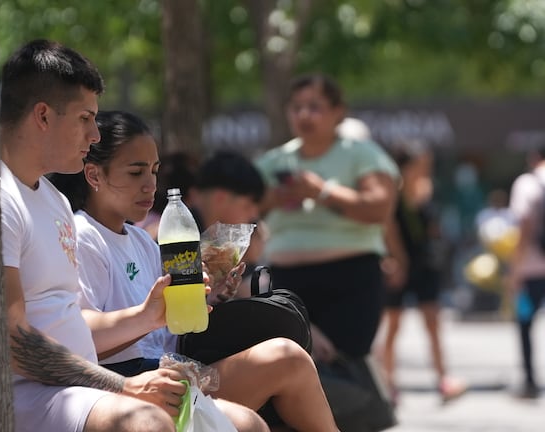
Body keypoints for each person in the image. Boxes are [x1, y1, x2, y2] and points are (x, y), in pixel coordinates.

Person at [0, 39, 267, 432]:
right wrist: (124, 385)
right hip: (12, 397)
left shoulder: (52, 200)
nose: (94, 136)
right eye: (85, 118)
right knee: (146, 422)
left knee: (248, 424)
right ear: (44, 116)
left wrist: (148, 316)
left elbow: (68, 320)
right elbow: (10, 341)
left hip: (72, 389)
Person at [50, 110, 339, 432]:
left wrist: (206, 299)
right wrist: (150, 315)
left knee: (287, 357)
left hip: (172, 370)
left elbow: (165, 330)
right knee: (268, 390)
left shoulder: (140, 240)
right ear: (94, 176)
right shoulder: (82, 236)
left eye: (154, 171)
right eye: (135, 172)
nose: (149, 185)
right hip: (126, 385)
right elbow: (78, 338)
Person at [254, 74, 399, 363]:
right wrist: (275, 198)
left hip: (351, 280)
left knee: (341, 364)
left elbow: (379, 208)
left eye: (314, 106)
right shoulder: (272, 162)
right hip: (284, 279)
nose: (304, 115)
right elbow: (234, 212)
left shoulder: (363, 155)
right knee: (284, 366)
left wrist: (322, 191)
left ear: (338, 111)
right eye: (296, 107)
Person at [379, 139, 467, 404]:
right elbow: (389, 230)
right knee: (393, 324)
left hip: (425, 263)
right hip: (400, 263)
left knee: (432, 321)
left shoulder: (428, 189)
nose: (426, 168)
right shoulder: (393, 192)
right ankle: (389, 383)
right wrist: (398, 261)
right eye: (421, 163)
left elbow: (433, 227)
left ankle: (443, 379)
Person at [185, 150, 268, 299]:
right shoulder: (179, 237)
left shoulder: (222, 243)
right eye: (248, 205)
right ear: (221, 198)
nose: (253, 215)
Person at [507, 145, 545, 399]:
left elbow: (524, 223)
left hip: (532, 267)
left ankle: (530, 381)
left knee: (524, 322)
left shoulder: (527, 183)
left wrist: (515, 267)